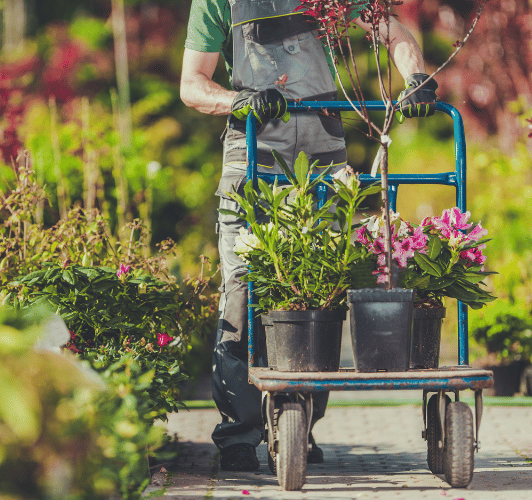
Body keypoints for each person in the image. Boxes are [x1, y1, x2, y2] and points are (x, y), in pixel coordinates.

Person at [180, 0, 438, 472]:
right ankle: (239, 433)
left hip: (322, 144)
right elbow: (191, 85)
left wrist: (415, 76)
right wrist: (237, 100)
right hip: (254, 146)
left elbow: (392, 31)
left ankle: (299, 418)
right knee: (242, 290)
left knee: (319, 288)